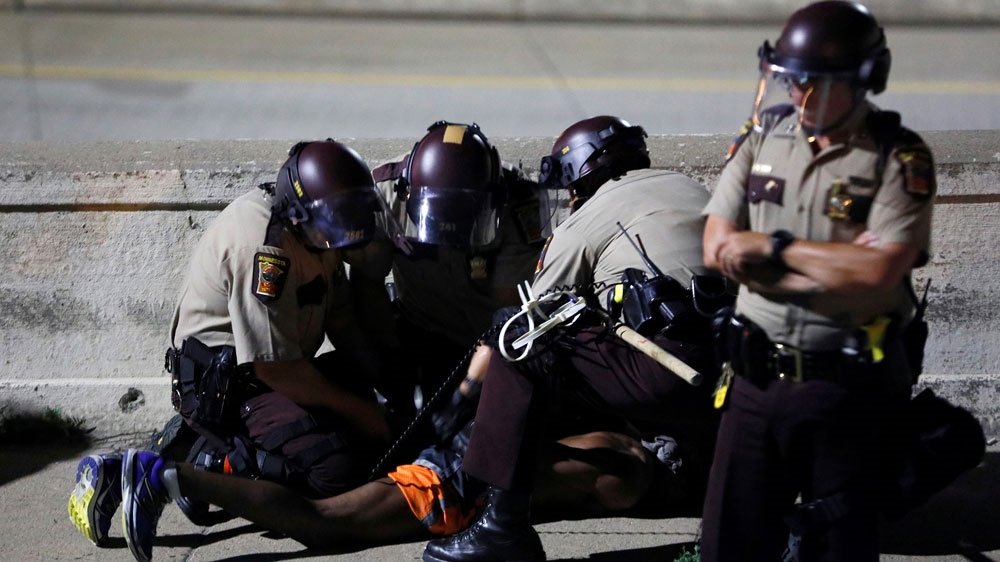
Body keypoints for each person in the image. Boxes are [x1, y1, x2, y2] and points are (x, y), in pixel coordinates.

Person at [69, 139, 399, 561]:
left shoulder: (320, 225)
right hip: (231, 386)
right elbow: (275, 370)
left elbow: (343, 323)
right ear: (298, 214)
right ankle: (197, 462)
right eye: (332, 226)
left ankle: (203, 450)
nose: (340, 239)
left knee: (378, 437)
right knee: (335, 475)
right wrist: (363, 412)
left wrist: (389, 386)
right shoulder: (265, 250)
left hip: (279, 369)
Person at [422, 115, 728, 562]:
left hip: (667, 369)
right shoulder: (690, 189)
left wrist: (465, 396)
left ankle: (501, 530)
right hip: (735, 376)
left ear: (579, 172)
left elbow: (532, 316)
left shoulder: (591, 216)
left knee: (521, 343)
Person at [698, 2, 937, 561]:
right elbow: (717, 247)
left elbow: (879, 271)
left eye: (814, 82)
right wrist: (835, 265)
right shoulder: (763, 137)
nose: (798, 93)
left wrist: (772, 249)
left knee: (839, 546)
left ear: (862, 80)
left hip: (846, 392)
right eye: (790, 78)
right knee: (728, 544)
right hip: (754, 384)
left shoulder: (896, 158)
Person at [68, 344, 675, 562]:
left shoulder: (610, 437)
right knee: (326, 522)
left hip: (460, 456)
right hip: (454, 484)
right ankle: (169, 476)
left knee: (325, 501)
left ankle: (167, 469)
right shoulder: (625, 473)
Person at [369, 120, 550, 406]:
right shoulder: (386, 191)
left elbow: (509, 314)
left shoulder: (518, 202)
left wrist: (467, 390)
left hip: (490, 340)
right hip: (421, 328)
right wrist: (389, 359)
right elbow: (367, 282)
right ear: (409, 192)